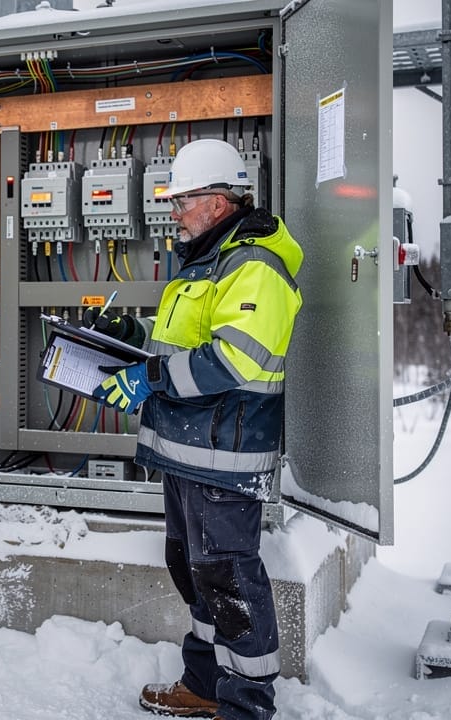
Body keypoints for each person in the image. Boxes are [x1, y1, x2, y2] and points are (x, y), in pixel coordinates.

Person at [86, 138, 303, 720]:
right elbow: (181, 344)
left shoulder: (254, 265)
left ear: (215, 200)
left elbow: (234, 358)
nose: (174, 212)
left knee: (228, 583)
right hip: (189, 454)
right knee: (197, 576)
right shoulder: (207, 261)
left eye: (181, 201)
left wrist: (147, 378)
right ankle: (205, 687)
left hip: (224, 456)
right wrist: (128, 338)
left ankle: (246, 706)